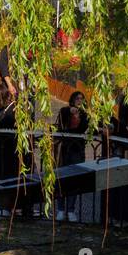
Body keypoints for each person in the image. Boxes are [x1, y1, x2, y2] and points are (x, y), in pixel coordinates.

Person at [54, 92, 88, 222]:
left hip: (77, 149)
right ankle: (61, 209)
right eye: (77, 98)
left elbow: (82, 129)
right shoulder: (64, 111)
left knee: (74, 180)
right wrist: (70, 111)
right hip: (65, 149)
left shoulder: (85, 114)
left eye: (81, 98)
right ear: (72, 99)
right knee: (62, 179)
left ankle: (71, 209)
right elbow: (61, 126)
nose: (79, 100)